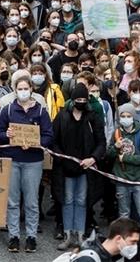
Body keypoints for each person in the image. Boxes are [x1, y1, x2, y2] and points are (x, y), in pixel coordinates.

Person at [0, 75, 54, 253]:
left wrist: (36, 142)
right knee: (12, 201)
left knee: (31, 201)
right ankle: (13, 236)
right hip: (12, 159)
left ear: (31, 89)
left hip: (32, 161)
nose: (23, 91)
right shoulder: (8, 110)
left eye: (25, 88)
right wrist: (8, 134)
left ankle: (31, 236)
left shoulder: (41, 111)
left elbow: (48, 135)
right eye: (19, 88)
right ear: (15, 90)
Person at [52, 83, 105, 250]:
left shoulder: (93, 117)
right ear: (72, 100)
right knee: (67, 199)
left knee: (82, 200)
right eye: (78, 99)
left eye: (84, 99)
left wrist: (93, 158)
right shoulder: (62, 116)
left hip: (85, 167)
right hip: (65, 167)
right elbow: (53, 141)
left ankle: (81, 234)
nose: (81, 102)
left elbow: (101, 142)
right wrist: (61, 158)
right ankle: (68, 234)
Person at [106, 103, 140, 223]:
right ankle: (124, 238)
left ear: (133, 117)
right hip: (122, 179)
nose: (126, 119)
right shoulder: (116, 134)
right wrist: (115, 147)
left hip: (138, 179)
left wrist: (126, 158)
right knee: (123, 214)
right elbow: (108, 155)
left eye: (128, 116)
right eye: (123, 116)